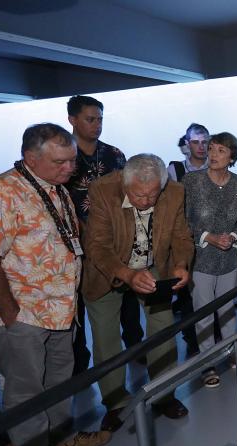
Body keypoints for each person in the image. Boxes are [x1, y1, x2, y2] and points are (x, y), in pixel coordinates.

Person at [0, 123, 111, 446]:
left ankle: (59, 439)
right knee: (26, 394)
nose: (71, 168)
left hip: (61, 311)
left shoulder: (54, 187)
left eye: (71, 160)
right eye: (60, 162)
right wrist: (10, 316)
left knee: (59, 383)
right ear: (30, 158)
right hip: (23, 316)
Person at [83, 154, 193, 432]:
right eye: (137, 195)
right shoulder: (102, 189)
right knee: (106, 338)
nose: (145, 201)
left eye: (152, 195)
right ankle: (115, 402)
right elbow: (97, 246)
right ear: (124, 183)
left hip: (153, 264)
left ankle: (163, 394)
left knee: (163, 328)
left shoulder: (176, 192)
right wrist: (128, 274)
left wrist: (180, 264)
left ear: (163, 186)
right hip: (109, 269)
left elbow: (181, 236)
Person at [64, 95, 142, 374]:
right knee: (84, 304)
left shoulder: (114, 155)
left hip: (118, 240)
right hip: (75, 245)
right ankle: (80, 362)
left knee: (129, 300)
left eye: (100, 119)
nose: (96, 125)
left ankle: (135, 346)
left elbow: (128, 197)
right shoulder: (64, 159)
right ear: (72, 120)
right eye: (90, 119)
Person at [183, 132, 237, 388]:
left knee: (227, 312)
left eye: (220, 150)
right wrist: (209, 237)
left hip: (230, 257)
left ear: (232, 157)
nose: (212, 154)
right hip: (201, 256)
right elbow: (184, 221)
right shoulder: (191, 181)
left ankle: (232, 354)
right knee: (204, 313)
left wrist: (234, 237)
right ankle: (208, 363)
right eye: (211, 148)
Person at [167, 123, 211, 356]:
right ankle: (194, 344)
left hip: (212, 242)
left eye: (205, 141)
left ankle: (218, 343)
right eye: (196, 142)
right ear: (186, 144)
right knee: (187, 298)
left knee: (215, 296)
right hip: (185, 242)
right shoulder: (174, 170)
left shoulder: (215, 168)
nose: (201, 147)